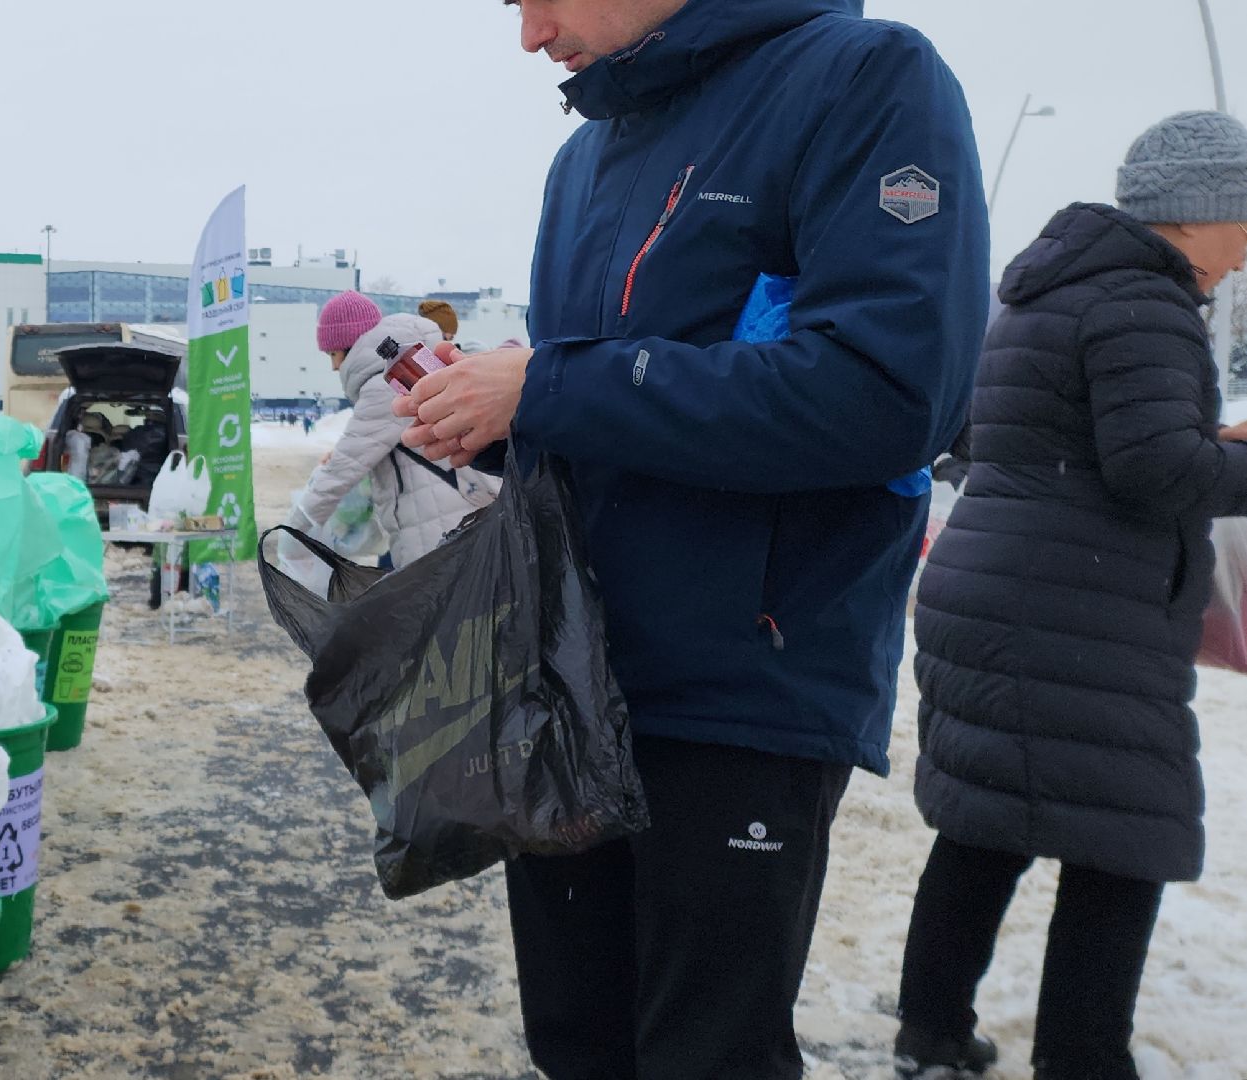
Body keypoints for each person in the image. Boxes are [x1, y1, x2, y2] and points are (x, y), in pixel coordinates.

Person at [395, 1, 988, 1075]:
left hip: (742, 684)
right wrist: (494, 421)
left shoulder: (863, 77)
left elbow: (891, 393)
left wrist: (552, 385)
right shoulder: (586, 153)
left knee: (703, 1055)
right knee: (576, 1043)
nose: (529, 35)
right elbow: (601, 409)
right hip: (569, 673)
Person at [896, 111, 1247, 1080]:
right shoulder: (1144, 300)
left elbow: (1075, 441)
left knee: (986, 823)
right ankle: (1082, 1060)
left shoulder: (1052, 290)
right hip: (1073, 615)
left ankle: (928, 1034)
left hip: (1005, 592)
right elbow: (1151, 469)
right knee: (1123, 844)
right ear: (1201, 211)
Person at [295, 291, 496, 567]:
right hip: (460, 508)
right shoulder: (411, 363)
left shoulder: (383, 383)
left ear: (351, 344)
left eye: (333, 353)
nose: (334, 366)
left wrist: (295, 530)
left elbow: (343, 468)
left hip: (440, 525)